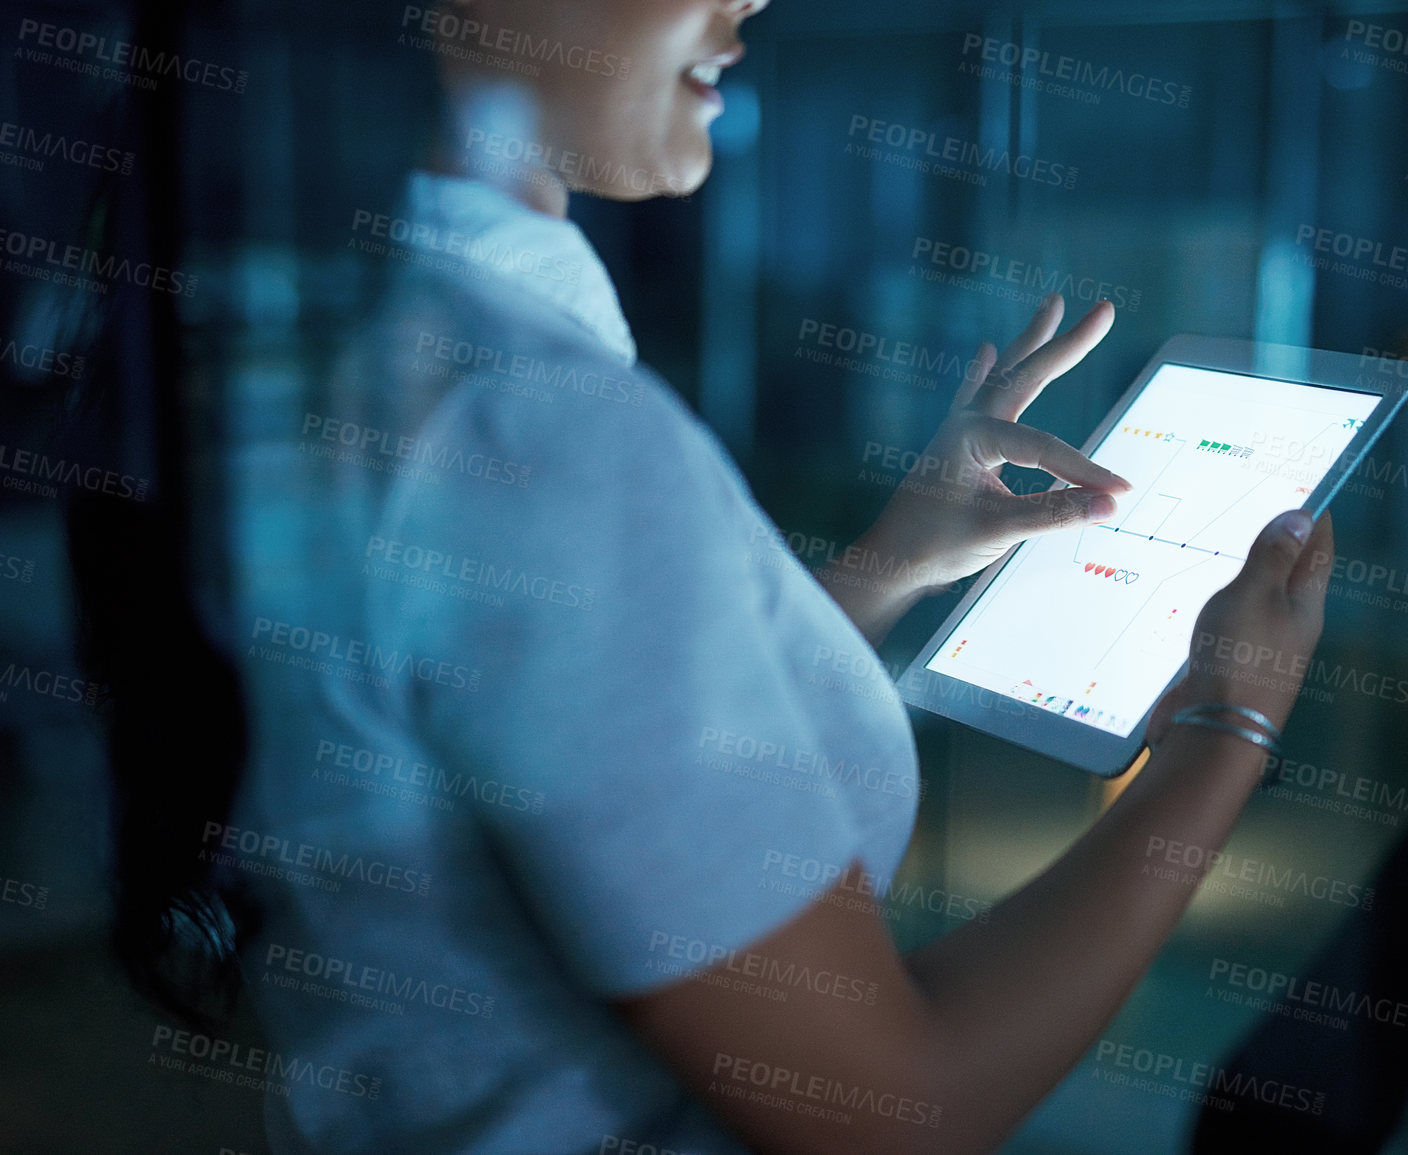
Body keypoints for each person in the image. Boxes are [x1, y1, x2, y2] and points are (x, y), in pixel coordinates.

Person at [222, 1, 1338, 1152]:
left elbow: (600, 747)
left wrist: (891, 562)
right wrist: (1225, 726)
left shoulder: (382, 331)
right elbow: (895, 1112)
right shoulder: (535, 425)